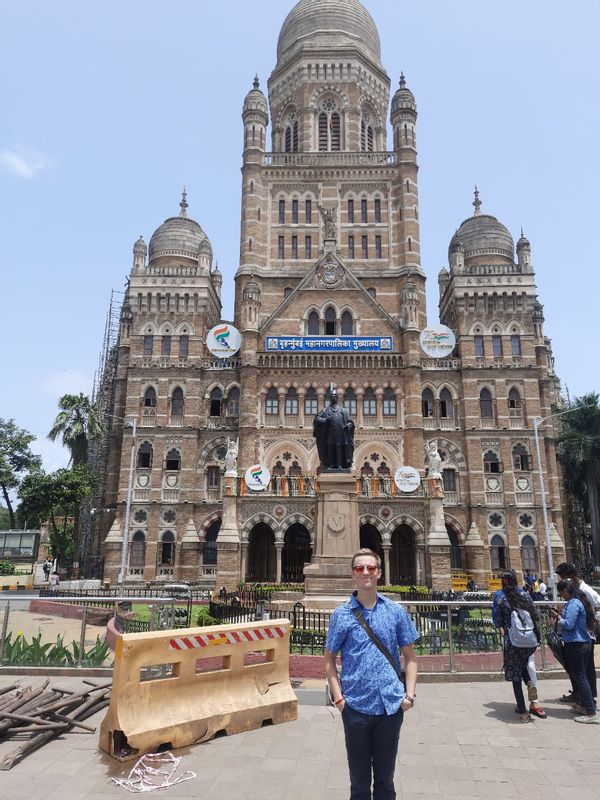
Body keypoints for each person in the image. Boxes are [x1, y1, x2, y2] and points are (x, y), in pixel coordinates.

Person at [324, 548, 419, 800]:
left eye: (370, 568)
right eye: (359, 568)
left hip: (390, 706)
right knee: (359, 783)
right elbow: (329, 660)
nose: (365, 572)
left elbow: (410, 658)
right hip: (355, 708)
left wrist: (409, 697)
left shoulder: (395, 611)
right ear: (353, 574)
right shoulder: (341, 615)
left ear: (379, 572)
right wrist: (339, 700)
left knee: (386, 781)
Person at [495, 570, 546, 722]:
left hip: (513, 641)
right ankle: (530, 683)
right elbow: (536, 615)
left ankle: (523, 711)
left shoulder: (502, 598)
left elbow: (498, 620)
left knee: (515, 674)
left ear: (503, 582)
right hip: (529, 641)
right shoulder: (525, 595)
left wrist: (503, 628)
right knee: (523, 664)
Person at [550, 580, 598, 724]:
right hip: (582, 643)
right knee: (581, 677)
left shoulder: (573, 604)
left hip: (576, 644)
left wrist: (558, 618)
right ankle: (585, 705)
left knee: (581, 677)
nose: (560, 595)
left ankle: (590, 711)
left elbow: (569, 624)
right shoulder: (578, 602)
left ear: (566, 590)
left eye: (561, 592)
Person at [555, 562, 599, 706]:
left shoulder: (586, 590)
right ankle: (578, 694)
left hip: (584, 635)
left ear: (569, 577)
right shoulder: (573, 591)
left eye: (562, 577)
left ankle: (589, 698)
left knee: (586, 669)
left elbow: (597, 606)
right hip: (575, 636)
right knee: (575, 668)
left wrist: (590, 623)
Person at [313, 387, 355, 470]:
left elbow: (351, 422)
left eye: (334, 397)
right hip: (330, 435)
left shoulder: (343, 411)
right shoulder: (325, 410)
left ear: (337, 398)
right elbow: (317, 419)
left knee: (339, 449)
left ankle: (339, 465)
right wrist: (325, 420)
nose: (333, 398)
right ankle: (331, 465)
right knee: (330, 449)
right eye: (331, 397)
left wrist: (348, 426)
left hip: (341, 435)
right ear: (330, 399)